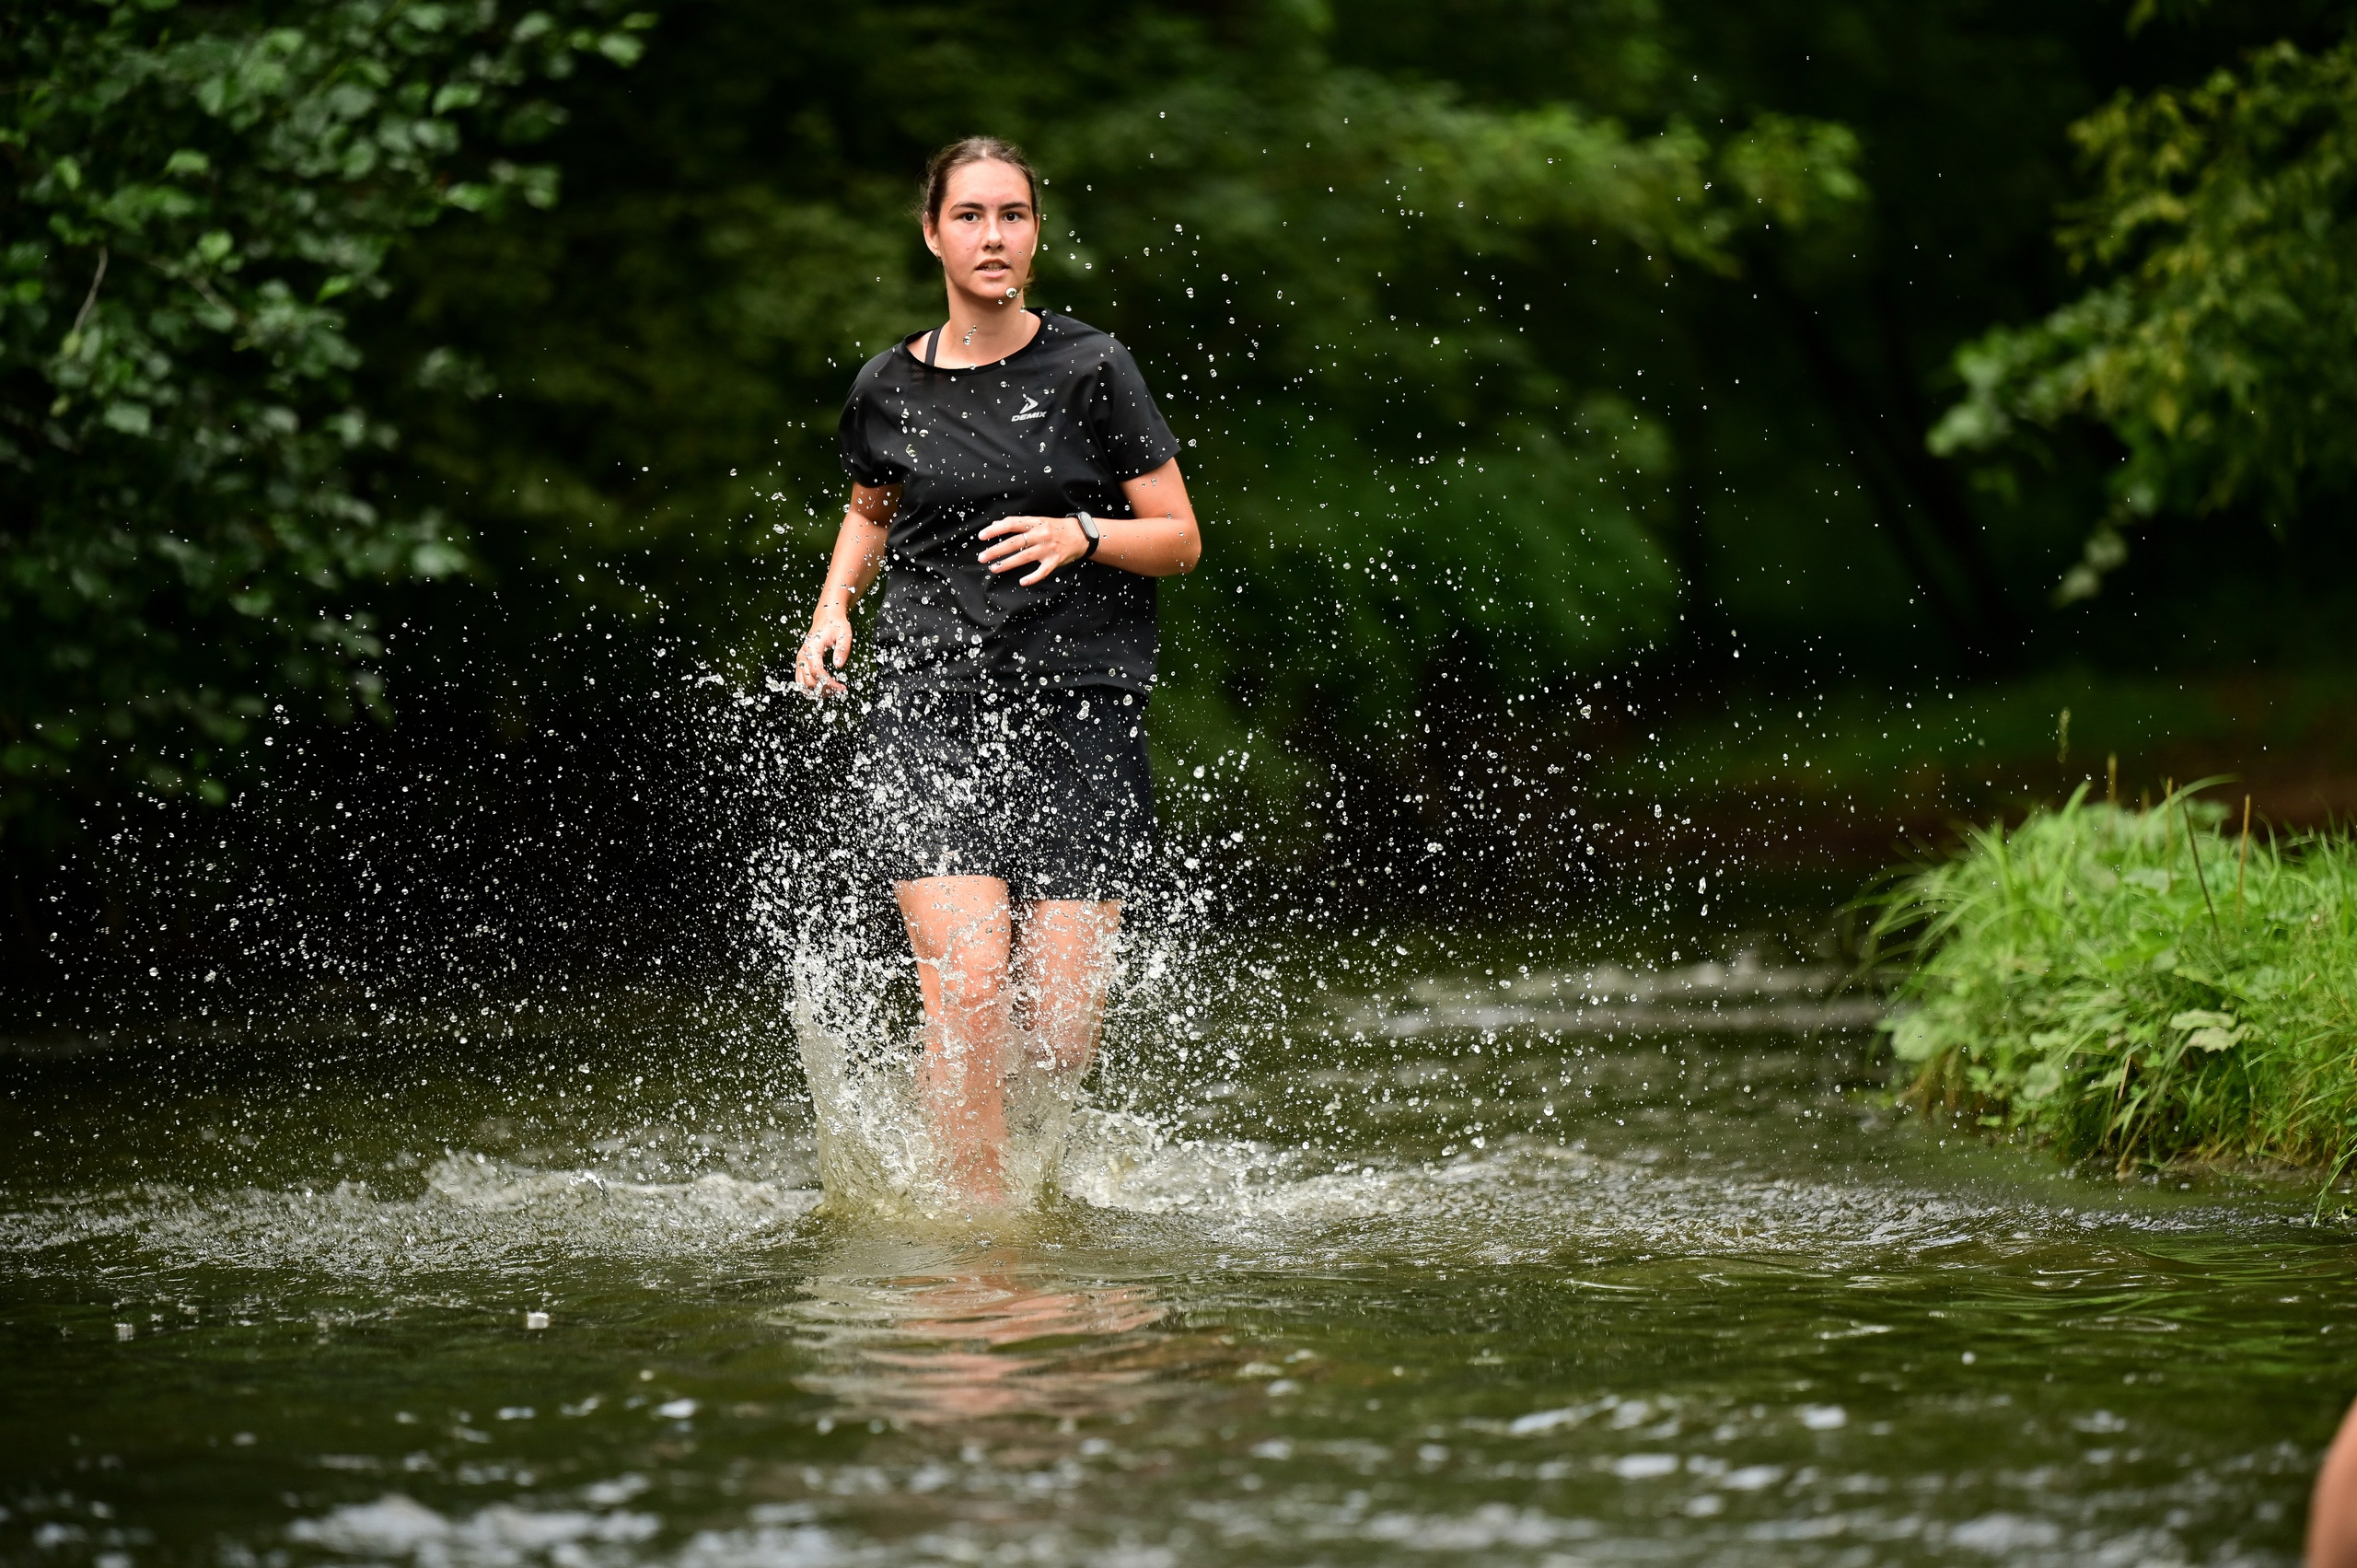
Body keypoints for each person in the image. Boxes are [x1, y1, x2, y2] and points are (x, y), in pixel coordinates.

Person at [795, 135, 1202, 1205]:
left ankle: (990, 1171)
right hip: (929, 703)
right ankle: (977, 1247)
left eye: (1011, 215)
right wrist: (834, 606)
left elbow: (1179, 537)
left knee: (1057, 1033)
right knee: (967, 988)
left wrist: (1084, 532)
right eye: (969, 215)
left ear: (1034, 233)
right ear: (932, 232)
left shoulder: (1091, 367)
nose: (991, 235)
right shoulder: (886, 383)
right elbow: (868, 506)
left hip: (1080, 708)